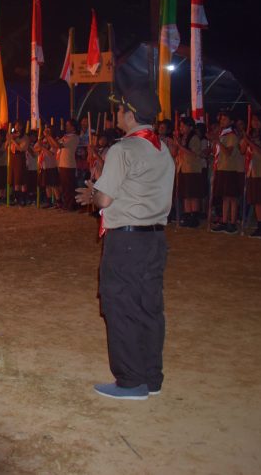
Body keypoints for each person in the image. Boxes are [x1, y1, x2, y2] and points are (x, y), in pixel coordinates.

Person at [76, 86, 174, 400]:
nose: (117, 114)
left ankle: (131, 382)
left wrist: (92, 193)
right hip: (155, 238)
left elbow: (104, 198)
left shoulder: (124, 149)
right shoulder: (162, 148)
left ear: (129, 114)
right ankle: (151, 377)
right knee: (149, 307)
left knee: (120, 306)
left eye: (119, 109)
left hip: (127, 240)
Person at [211, 111, 243, 232]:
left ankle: (232, 222)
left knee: (232, 197)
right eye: (221, 119)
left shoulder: (232, 135)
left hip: (230, 168)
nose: (222, 122)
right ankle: (224, 221)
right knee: (225, 197)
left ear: (231, 122)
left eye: (225, 119)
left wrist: (218, 142)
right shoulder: (222, 134)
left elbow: (229, 152)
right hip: (221, 167)